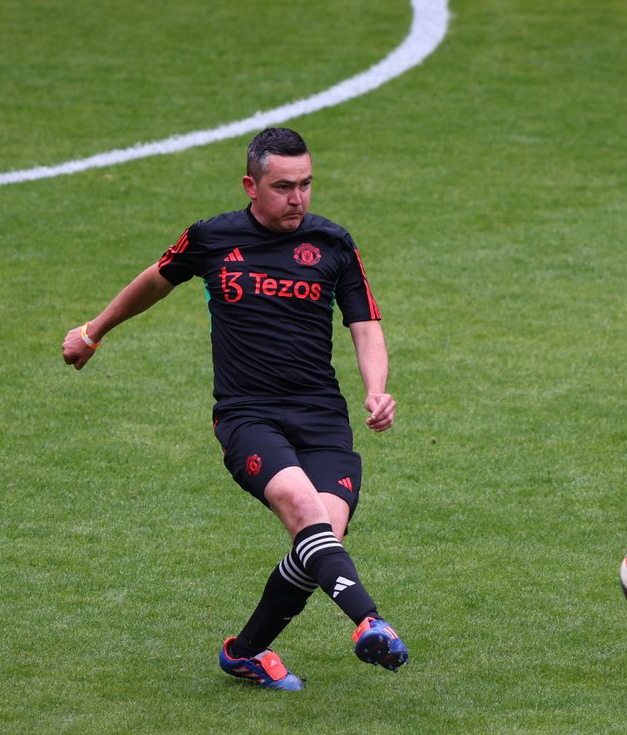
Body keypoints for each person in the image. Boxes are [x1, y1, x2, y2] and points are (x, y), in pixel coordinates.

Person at [61, 127, 407, 691]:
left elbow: (364, 324)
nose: (297, 198)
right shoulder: (212, 238)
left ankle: (244, 653)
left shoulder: (333, 244)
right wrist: (92, 332)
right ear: (251, 186)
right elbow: (155, 281)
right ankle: (371, 622)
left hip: (322, 419)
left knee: (319, 543)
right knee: (305, 511)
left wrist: (377, 388)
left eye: (306, 184)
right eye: (283, 187)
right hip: (248, 416)